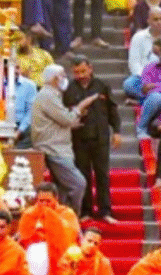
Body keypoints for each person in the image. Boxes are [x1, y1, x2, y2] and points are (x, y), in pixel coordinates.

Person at [32, 64, 98, 214]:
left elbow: (59, 121)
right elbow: (67, 119)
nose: (65, 78)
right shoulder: (47, 95)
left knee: (62, 188)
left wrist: (72, 120)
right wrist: (80, 107)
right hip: (54, 148)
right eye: (62, 75)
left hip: (58, 146)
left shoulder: (52, 94)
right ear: (55, 79)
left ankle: (61, 218)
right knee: (78, 183)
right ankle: (71, 216)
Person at [64, 55, 121, 223]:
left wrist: (117, 131)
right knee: (83, 176)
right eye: (76, 72)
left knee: (102, 174)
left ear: (90, 68)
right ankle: (85, 211)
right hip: (79, 138)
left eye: (83, 71)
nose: (81, 75)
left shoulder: (102, 86)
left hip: (100, 137)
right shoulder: (68, 89)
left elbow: (112, 110)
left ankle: (105, 211)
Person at [124, 6, 161, 101]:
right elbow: (134, 63)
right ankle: (157, 97)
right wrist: (147, 78)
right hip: (144, 77)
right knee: (128, 84)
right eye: (155, 19)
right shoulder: (138, 37)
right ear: (148, 21)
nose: (159, 22)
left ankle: (148, 99)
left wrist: (160, 81)